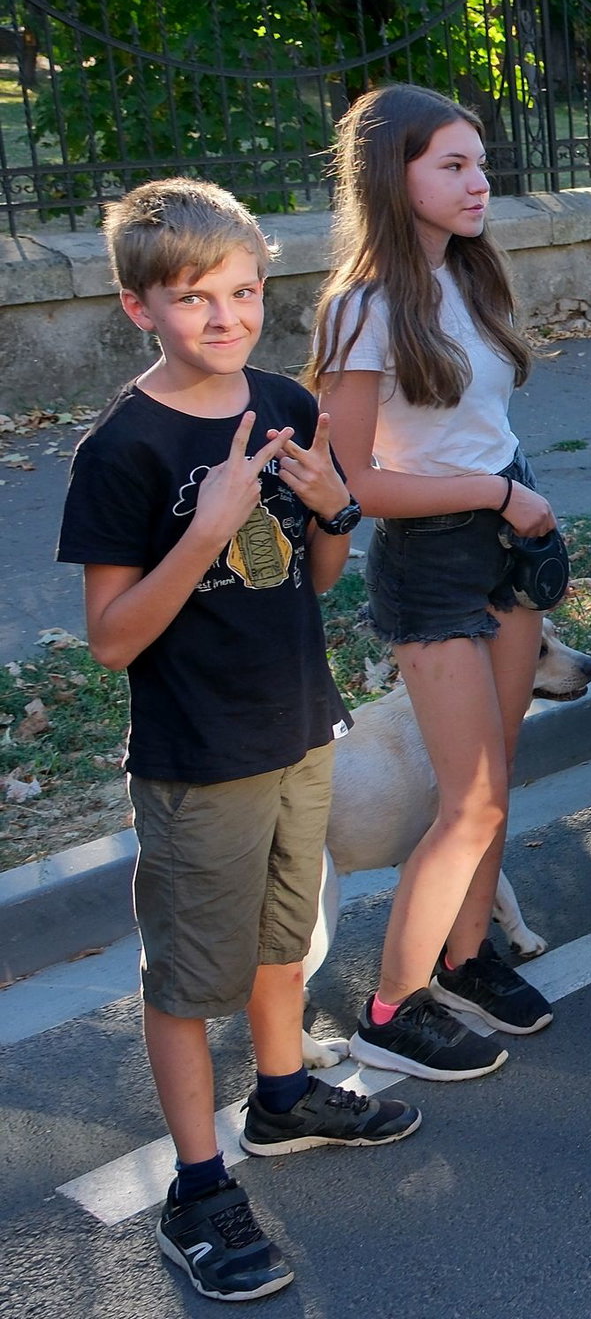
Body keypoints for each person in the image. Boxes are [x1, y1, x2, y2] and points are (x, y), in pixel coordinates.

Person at [61, 180, 420, 1304]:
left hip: (298, 727)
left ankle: (280, 1094)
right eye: (194, 297)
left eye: (245, 290)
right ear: (139, 308)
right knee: (186, 979)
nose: (226, 315)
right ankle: (198, 1186)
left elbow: (315, 580)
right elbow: (113, 641)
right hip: (197, 756)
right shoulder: (121, 449)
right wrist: (207, 527)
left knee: (283, 943)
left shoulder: (282, 404)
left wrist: (332, 510)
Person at [309, 84, 560, 1080]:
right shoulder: (359, 308)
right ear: (391, 177)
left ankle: (464, 959)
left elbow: (479, 421)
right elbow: (357, 483)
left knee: (497, 789)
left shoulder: (471, 276)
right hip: (436, 559)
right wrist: (497, 494)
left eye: (479, 162)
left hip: (507, 535)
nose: (478, 182)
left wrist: (513, 500)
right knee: (470, 803)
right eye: (450, 165)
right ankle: (390, 1007)